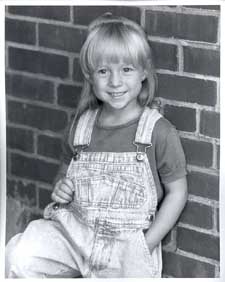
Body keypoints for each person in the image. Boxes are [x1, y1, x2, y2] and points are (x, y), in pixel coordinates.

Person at [5, 13, 188, 278]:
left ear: (144, 73)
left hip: (126, 247)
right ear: (90, 76)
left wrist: (145, 245)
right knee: (21, 254)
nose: (115, 82)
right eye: (104, 71)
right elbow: (66, 171)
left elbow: (177, 192)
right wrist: (61, 188)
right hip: (73, 235)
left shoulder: (158, 132)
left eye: (126, 69)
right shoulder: (81, 127)